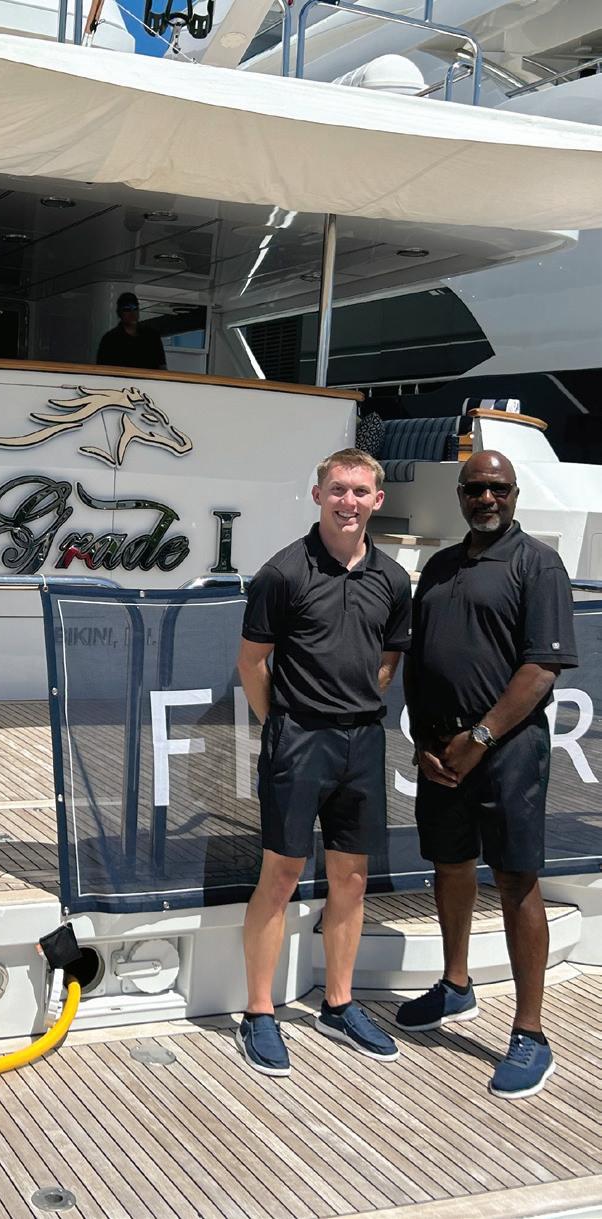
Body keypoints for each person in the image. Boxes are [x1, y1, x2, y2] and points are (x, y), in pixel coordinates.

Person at [397, 450, 577, 1099]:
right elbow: (419, 662)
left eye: (498, 488)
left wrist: (479, 738)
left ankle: (531, 1033)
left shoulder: (539, 564)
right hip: (442, 751)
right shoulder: (440, 566)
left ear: (515, 493)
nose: (486, 499)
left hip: (507, 749)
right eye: (475, 488)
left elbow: (540, 669)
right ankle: (455, 985)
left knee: (516, 879)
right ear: (460, 494)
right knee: (449, 865)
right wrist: (424, 741)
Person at [236, 447, 412, 1076]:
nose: (348, 502)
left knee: (352, 878)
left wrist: (352, 707)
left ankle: (338, 1003)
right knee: (281, 874)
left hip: (362, 742)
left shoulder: (394, 579)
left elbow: (387, 662)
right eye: (338, 490)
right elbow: (252, 662)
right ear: (318, 495)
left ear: (377, 501)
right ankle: (259, 1012)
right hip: (298, 738)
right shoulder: (282, 573)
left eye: (360, 492)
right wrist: (282, 726)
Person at [96, 292, 167, 371]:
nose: (132, 313)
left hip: (148, 379)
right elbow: (102, 369)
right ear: (119, 312)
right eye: (127, 310)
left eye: (135, 309)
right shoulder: (110, 339)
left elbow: (162, 367)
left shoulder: (152, 336)